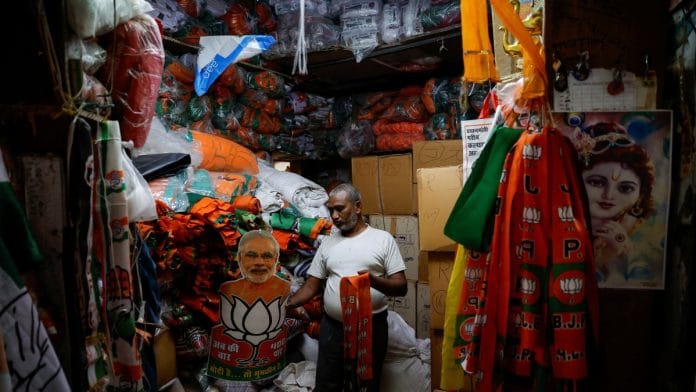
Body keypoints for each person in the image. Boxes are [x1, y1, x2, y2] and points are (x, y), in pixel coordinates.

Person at [286, 183, 407, 391]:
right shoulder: (328, 243)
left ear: (358, 207)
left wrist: (373, 281)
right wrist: (287, 303)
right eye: (331, 209)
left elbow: (401, 286)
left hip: (371, 327)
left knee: (365, 383)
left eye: (340, 208)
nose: (333, 215)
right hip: (333, 327)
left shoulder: (382, 240)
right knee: (327, 381)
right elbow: (312, 285)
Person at [576, 122, 656, 285]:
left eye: (625, 188)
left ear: (640, 196)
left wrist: (619, 250)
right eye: (596, 183)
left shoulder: (642, 237)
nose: (609, 195)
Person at [209, 230, 291, 382]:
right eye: (251, 256)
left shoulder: (284, 287)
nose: (259, 262)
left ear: (275, 260)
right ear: (239, 259)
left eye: (266, 256)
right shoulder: (226, 290)